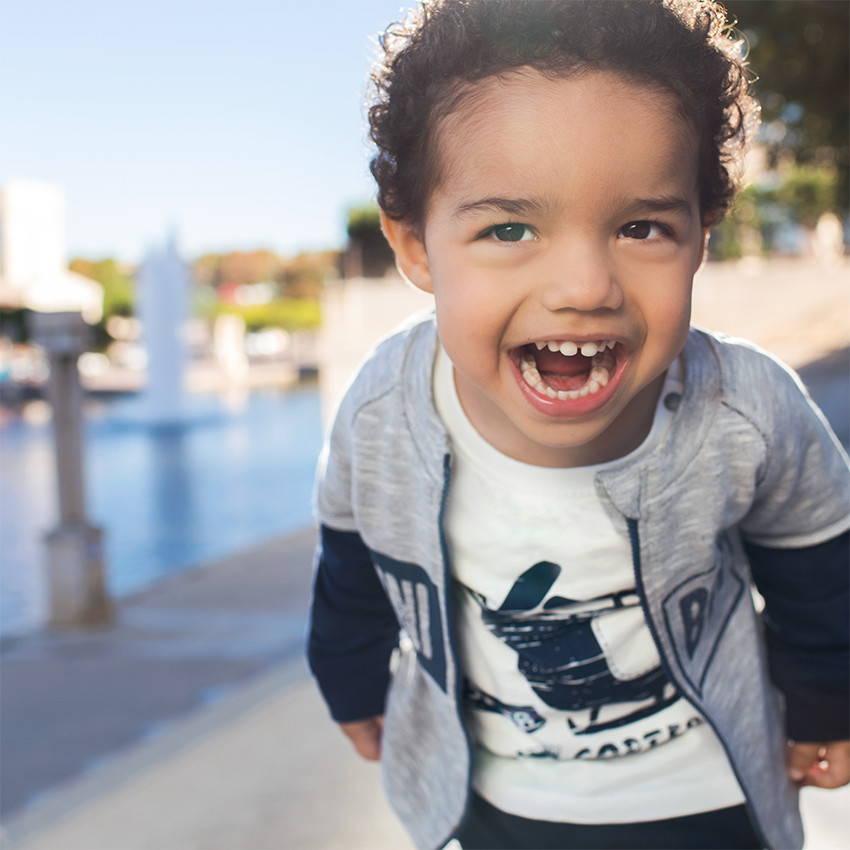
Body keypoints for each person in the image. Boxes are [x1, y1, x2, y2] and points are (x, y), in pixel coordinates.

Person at [307, 1, 850, 848]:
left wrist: (825, 701)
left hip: (707, 802)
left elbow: (818, 567)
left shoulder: (743, 409)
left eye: (642, 227)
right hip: (498, 806)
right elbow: (353, 561)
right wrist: (350, 683)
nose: (586, 285)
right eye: (509, 227)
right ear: (415, 246)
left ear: (701, 237)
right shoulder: (385, 412)